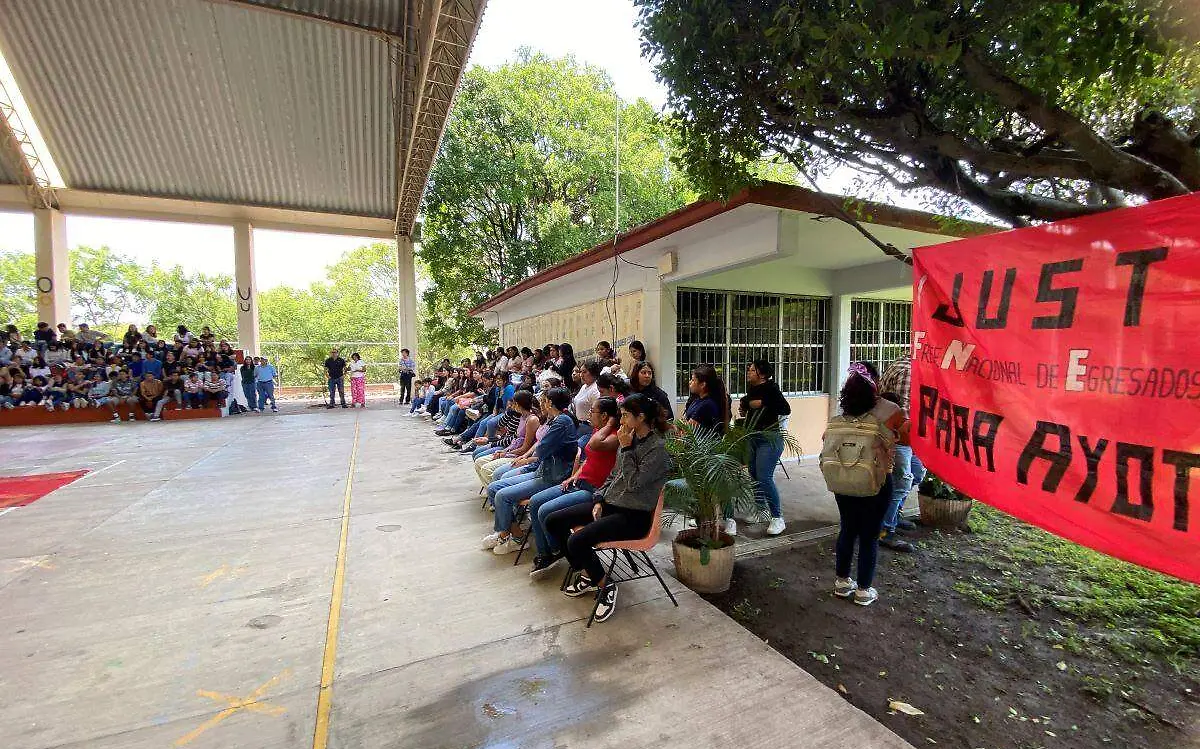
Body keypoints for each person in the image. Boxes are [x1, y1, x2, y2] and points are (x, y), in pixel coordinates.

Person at [543, 393, 674, 624]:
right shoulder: (629, 439)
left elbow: (634, 483)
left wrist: (625, 449)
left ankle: (606, 586)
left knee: (577, 541)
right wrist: (598, 500)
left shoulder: (657, 449)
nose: (621, 421)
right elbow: (613, 476)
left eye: (625, 415)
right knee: (553, 521)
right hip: (611, 505)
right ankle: (588, 571)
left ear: (641, 417)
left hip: (634, 517)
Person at [829, 362, 906, 607]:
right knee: (869, 536)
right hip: (877, 481)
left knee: (848, 529)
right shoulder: (891, 409)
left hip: (844, 481)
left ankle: (842, 583)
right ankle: (863, 590)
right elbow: (908, 437)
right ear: (875, 382)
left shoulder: (844, 412)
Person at [526, 396, 621, 576]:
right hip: (579, 481)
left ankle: (560, 552)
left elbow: (596, 446)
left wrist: (610, 424)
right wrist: (574, 475)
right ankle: (548, 551)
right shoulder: (596, 430)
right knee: (535, 502)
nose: (589, 414)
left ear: (605, 416)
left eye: (593, 411)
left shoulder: (614, 436)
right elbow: (588, 460)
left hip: (592, 490)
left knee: (545, 510)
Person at [482, 388, 578, 555]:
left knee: (502, 495)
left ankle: (513, 537)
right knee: (494, 487)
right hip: (542, 470)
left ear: (550, 403)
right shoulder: (554, 419)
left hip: (552, 476)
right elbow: (541, 446)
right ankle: (508, 533)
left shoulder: (562, 421)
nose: (540, 403)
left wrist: (527, 456)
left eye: (544, 400)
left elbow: (541, 450)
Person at [740, 359, 792, 536]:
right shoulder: (752, 389)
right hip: (753, 436)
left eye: (752, 370)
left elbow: (785, 409)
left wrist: (762, 403)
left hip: (769, 438)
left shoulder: (771, 389)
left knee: (764, 476)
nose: (748, 372)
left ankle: (778, 518)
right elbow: (747, 404)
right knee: (753, 473)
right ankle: (760, 510)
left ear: (761, 374)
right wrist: (745, 406)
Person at [877, 356, 924, 552]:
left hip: (902, 435)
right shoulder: (909, 371)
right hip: (900, 436)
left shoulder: (902, 363)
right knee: (902, 480)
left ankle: (894, 515)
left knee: (916, 474)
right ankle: (885, 531)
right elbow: (903, 414)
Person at [684, 364, 730, 434]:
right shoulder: (697, 400)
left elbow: (687, 431)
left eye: (693, 380)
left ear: (703, 385)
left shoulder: (706, 405)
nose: (690, 382)